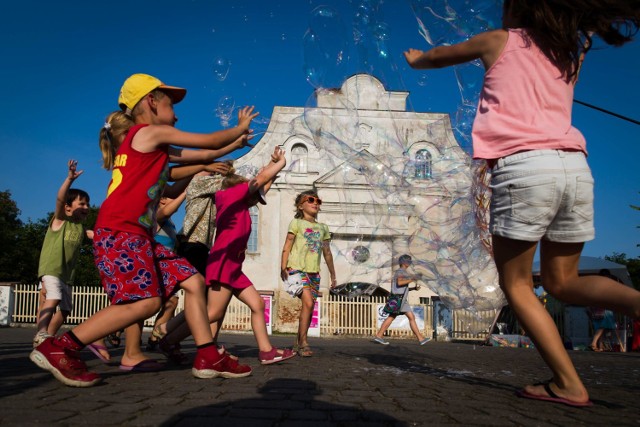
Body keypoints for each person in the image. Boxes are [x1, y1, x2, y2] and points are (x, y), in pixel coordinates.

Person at [404, 0, 640, 407]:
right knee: (563, 282)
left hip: (526, 167)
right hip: (575, 167)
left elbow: (440, 57)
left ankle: (568, 383)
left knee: (516, 284)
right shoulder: (564, 54)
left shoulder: (500, 39)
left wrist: (417, 58)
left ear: (519, 11)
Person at [30, 73, 256, 386]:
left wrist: (235, 142)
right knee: (146, 303)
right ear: (151, 101)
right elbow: (208, 143)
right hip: (122, 233)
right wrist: (238, 128)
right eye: (170, 103)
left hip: (138, 236)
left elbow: (205, 156)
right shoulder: (148, 133)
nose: (176, 113)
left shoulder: (150, 147)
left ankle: (207, 354)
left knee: (193, 281)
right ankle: (60, 346)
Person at [200, 148, 295, 365]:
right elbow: (260, 179)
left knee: (257, 305)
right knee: (213, 313)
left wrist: (271, 168)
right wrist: (280, 162)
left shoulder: (238, 202)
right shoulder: (228, 194)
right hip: (223, 262)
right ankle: (171, 333)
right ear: (237, 185)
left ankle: (266, 351)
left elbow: (262, 184)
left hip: (233, 266)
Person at [32, 160, 111, 363]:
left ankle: (44, 340)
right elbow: (59, 200)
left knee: (66, 309)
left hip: (67, 275)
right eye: (81, 204)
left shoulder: (80, 228)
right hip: (51, 269)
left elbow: (98, 236)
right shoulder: (60, 220)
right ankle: (42, 331)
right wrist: (69, 179)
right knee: (55, 297)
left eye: (87, 204)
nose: (86, 207)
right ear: (68, 208)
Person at [280, 189, 337, 357]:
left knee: (309, 307)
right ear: (300, 206)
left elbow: (327, 253)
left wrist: (333, 275)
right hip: (297, 268)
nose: (315, 203)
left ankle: (298, 342)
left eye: (318, 201)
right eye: (311, 200)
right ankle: (304, 342)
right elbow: (288, 245)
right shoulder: (296, 223)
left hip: (314, 272)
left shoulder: (323, 228)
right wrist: (283, 266)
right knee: (309, 303)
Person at [372, 255, 431, 346]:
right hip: (400, 300)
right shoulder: (400, 272)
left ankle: (379, 336)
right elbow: (400, 283)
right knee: (405, 317)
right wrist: (413, 279)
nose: (410, 263)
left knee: (400, 317)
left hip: (399, 299)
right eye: (409, 261)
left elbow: (400, 287)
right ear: (404, 262)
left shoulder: (401, 272)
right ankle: (420, 338)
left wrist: (413, 289)